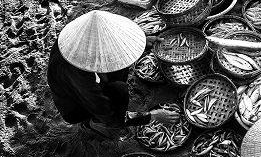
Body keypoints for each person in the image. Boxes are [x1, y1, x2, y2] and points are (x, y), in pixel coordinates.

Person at [47, 10, 179, 139]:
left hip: (85, 86)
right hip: (76, 106)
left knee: (121, 64)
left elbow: (114, 42)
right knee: (119, 91)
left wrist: (143, 42)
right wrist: (152, 116)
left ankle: (109, 106)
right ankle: (96, 122)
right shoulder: (78, 75)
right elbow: (106, 112)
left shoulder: (78, 38)